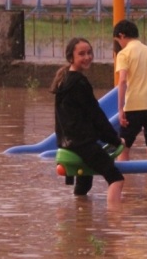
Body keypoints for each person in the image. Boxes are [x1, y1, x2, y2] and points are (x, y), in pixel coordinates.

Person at [51, 37, 124, 204]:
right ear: (71, 58)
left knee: (85, 182)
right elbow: (95, 115)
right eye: (81, 54)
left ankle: (81, 220)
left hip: (67, 142)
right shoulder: (79, 82)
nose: (87, 57)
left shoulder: (65, 80)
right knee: (116, 178)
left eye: (89, 53)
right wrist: (114, 139)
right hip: (82, 143)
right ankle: (115, 221)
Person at [112, 19, 147, 161]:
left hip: (135, 106)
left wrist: (120, 109)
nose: (119, 44)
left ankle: (123, 183)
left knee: (123, 149)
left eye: (118, 41)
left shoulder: (124, 54)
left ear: (122, 35)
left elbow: (122, 80)